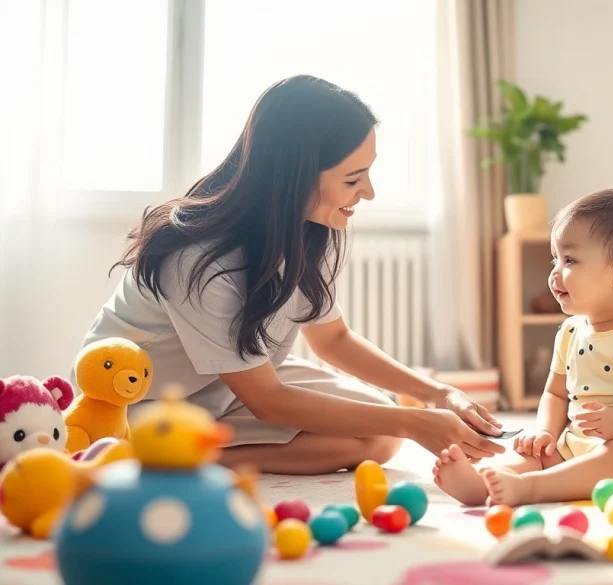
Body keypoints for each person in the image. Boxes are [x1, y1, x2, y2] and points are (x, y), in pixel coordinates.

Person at [76, 75, 505, 475]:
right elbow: (267, 401)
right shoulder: (197, 258)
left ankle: (194, 451)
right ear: (293, 177)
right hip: (154, 402)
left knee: (381, 435)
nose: (369, 192)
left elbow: (332, 339)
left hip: (238, 382)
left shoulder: (303, 228)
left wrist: (438, 395)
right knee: (394, 427)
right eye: (353, 178)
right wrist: (415, 423)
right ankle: (165, 453)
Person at [433, 189, 613, 506]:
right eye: (555, 258)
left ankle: (529, 490)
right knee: (537, 454)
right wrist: (546, 434)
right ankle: (484, 481)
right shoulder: (570, 331)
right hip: (578, 442)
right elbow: (555, 394)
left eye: (569, 259)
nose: (554, 272)